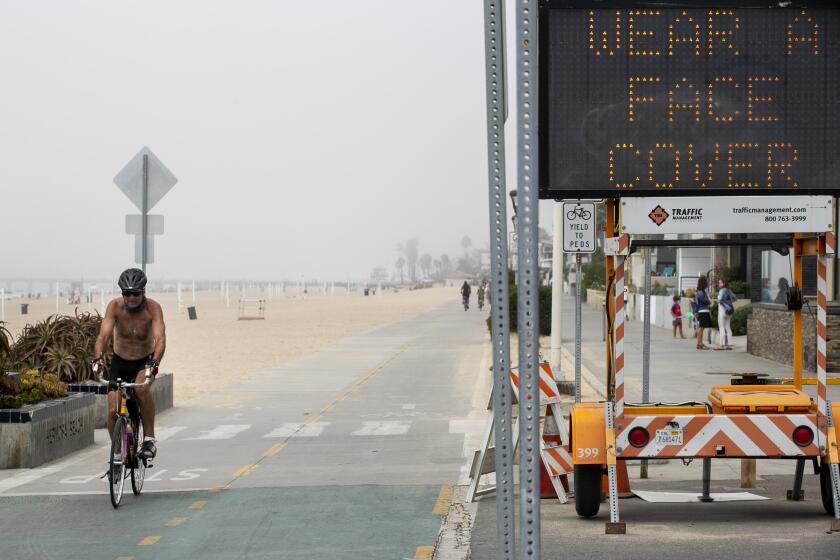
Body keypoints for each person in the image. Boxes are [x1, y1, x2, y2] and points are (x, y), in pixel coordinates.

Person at [93, 268, 166, 460]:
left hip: (144, 362)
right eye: (127, 293)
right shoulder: (115, 307)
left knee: (142, 391)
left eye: (135, 293)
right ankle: (117, 454)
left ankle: (149, 439)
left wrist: (154, 362)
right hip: (120, 362)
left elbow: (160, 338)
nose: (131, 297)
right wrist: (98, 358)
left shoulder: (153, 308)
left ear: (143, 291)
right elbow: (103, 335)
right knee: (112, 410)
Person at [716, 278, 736, 350]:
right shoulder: (729, 290)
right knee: (728, 326)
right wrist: (729, 302)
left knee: (721, 327)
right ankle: (730, 344)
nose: (719, 284)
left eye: (720, 283)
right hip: (729, 310)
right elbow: (735, 298)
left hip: (722, 310)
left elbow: (720, 299)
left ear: (724, 283)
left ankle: (722, 344)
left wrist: (723, 302)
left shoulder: (722, 290)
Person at [694, 276, 712, 350]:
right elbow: (707, 301)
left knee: (701, 328)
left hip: (702, 311)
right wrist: (709, 299)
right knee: (701, 328)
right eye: (706, 281)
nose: (707, 283)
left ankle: (699, 343)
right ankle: (700, 343)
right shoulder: (701, 293)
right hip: (703, 311)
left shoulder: (699, 292)